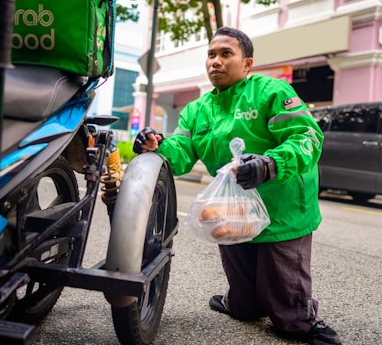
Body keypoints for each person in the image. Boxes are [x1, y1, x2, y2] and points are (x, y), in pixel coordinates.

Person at [133, 26, 341, 345]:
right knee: (244, 306)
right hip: (233, 212)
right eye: (212, 54)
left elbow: (308, 138)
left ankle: (302, 319)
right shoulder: (197, 110)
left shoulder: (272, 92)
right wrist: (154, 146)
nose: (216, 61)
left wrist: (270, 164)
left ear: (247, 64)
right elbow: (181, 153)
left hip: (280, 209)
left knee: (287, 315)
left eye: (226, 54)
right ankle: (242, 303)